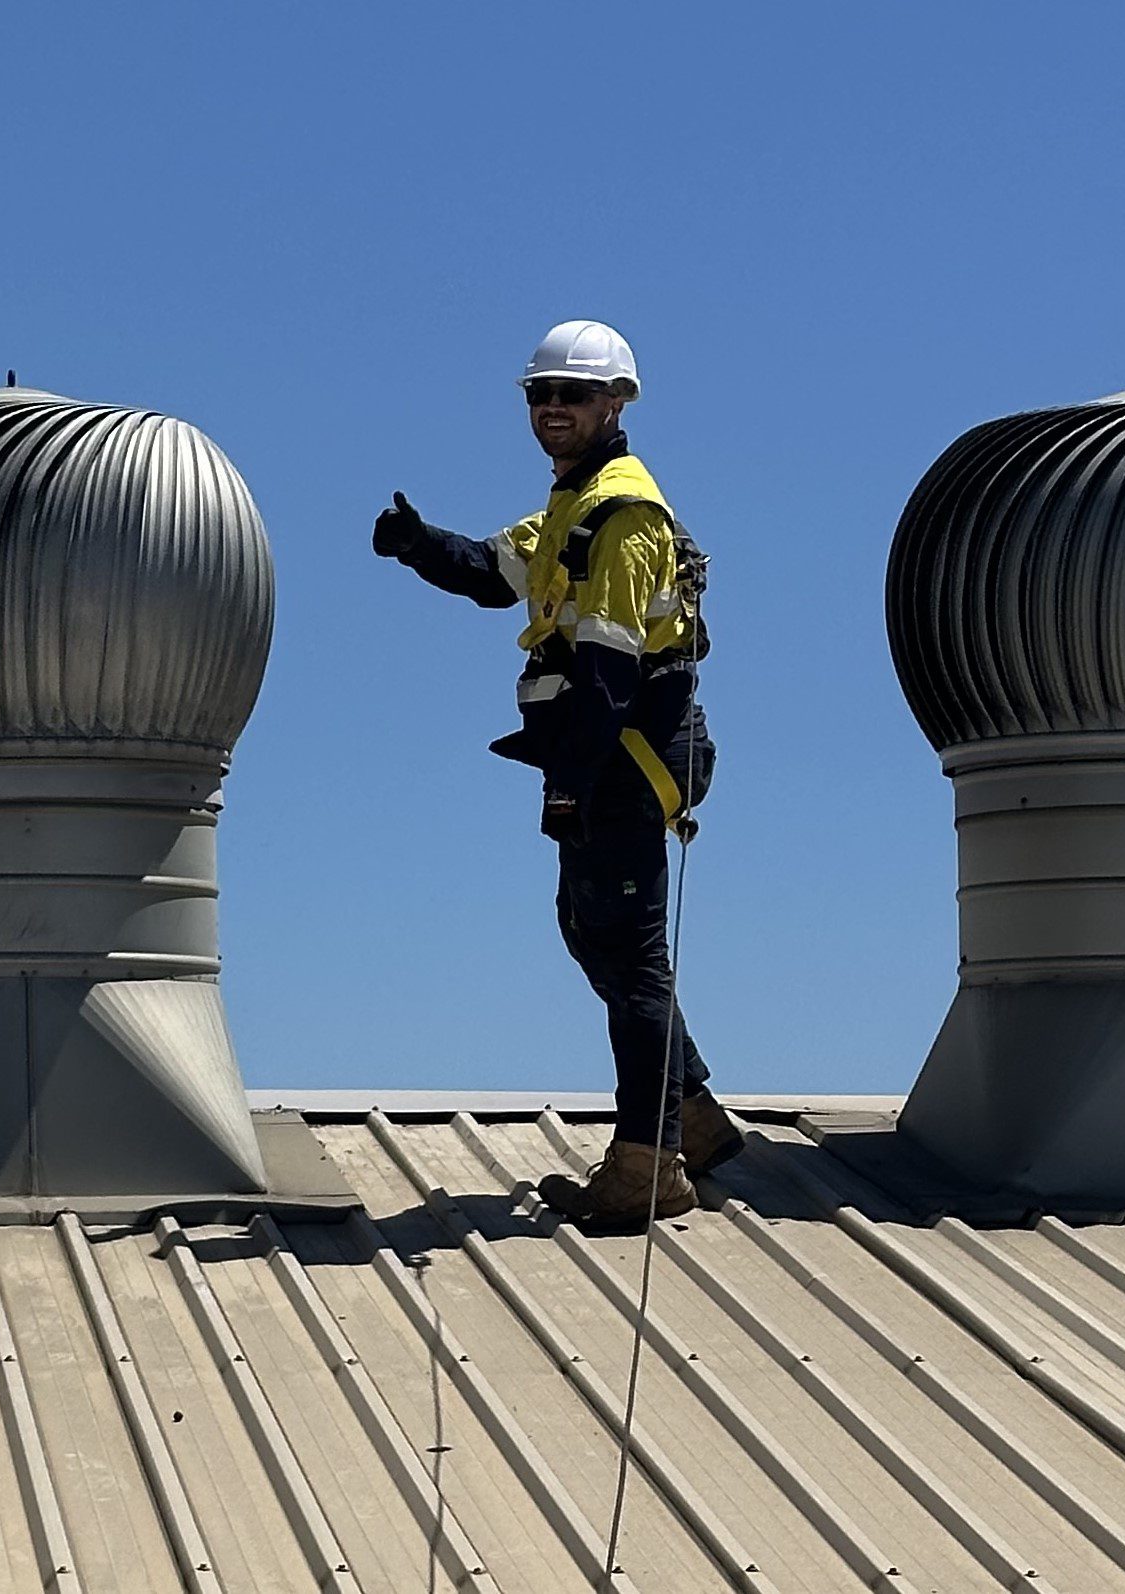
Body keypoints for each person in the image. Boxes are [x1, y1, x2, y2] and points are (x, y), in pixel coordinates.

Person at [371, 319, 741, 1231]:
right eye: (540, 394)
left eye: (572, 394)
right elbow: (496, 573)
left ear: (615, 403)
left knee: (630, 954)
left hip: (623, 756)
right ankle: (693, 1117)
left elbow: (608, 676)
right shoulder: (574, 506)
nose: (552, 409)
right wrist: (420, 544)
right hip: (603, 756)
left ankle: (648, 1166)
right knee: (593, 934)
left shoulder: (623, 517)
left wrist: (570, 783)